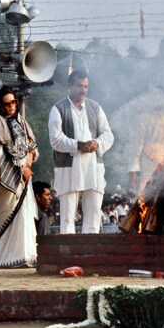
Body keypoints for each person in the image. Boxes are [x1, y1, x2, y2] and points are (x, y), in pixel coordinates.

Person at [48, 69, 114, 233]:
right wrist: (78, 145)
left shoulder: (95, 107)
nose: (83, 90)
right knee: (67, 217)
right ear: (69, 86)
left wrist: (96, 144)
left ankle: (90, 255)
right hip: (69, 168)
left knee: (93, 216)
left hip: (93, 167)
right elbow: (55, 139)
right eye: (79, 86)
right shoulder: (58, 109)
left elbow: (108, 135)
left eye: (86, 86)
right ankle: (68, 254)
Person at [0, 86, 38, 268]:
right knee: (8, 215)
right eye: (6, 104)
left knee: (24, 217)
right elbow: (1, 151)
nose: (11, 107)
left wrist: (27, 166)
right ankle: (5, 259)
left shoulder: (21, 121)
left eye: (13, 103)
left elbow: (32, 147)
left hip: (25, 175)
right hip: (7, 177)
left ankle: (25, 256)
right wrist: (20, 168)